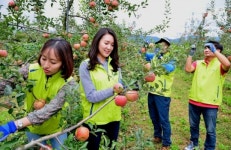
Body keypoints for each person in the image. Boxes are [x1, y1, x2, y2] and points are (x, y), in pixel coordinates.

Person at [0, 38, 77, 150]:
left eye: (53, 62)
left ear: (64, 62)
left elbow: (49, 110)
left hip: (56, 129)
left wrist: (14, 125)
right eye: (43, 58)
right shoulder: (30, 70)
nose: (45, 65)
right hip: (32, 128)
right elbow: (6, 84)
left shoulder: (69, 84)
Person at [78, 27, 123, 150]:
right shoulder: (86, 66)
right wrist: (113, 90)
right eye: (106, 43)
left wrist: (126, 93)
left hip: (114, 117)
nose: (109, 47)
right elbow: (91, 96)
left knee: (110, 148)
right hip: (94, 120)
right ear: (97, 42)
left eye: (112, 45)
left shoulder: (116, 66)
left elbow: (121, 87)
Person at [184, 41, 230, 150]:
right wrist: (190, 55)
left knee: (210, 129)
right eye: (205, 48)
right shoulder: (199, 63)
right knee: (193, 126)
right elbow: (188, 69)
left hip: (211, 103)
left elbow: (228, 64)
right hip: (194, 100)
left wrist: (215, 52)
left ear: (218, 51)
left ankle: (209, 148)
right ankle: (193, 144)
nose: (206, 50)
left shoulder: (220, 65)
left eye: (210, 48)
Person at [145, 37, 175, 150]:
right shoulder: (155, 56)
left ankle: (166, 143)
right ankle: (157, 136)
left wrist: (160, 58)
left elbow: (169, 69)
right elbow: (143, 54)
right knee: (153, 116)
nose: (161, 46)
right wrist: (145, 47)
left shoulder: (172, 58)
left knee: (163, 119)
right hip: (152, 91)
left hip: (163, 94)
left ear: (168, 46)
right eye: (159, 45)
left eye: (164, 44)